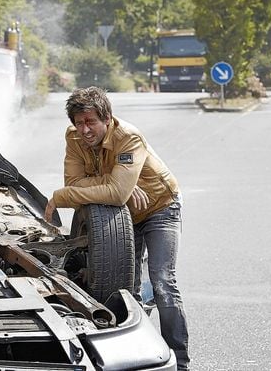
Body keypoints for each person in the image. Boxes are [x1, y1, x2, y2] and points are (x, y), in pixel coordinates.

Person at [43, 86, 190, 371]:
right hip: (123, 216)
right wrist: (114, 185)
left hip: (161, 206)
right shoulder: (73, 138)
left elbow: (96, 192)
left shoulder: (128, 136)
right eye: (79, 122)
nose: (85, 130)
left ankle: (180, 361)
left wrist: (65, 195)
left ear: (107, 118)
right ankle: (139, 357)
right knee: (126, 290)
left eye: (91, 121)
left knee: (162, 282)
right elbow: (78, 184)